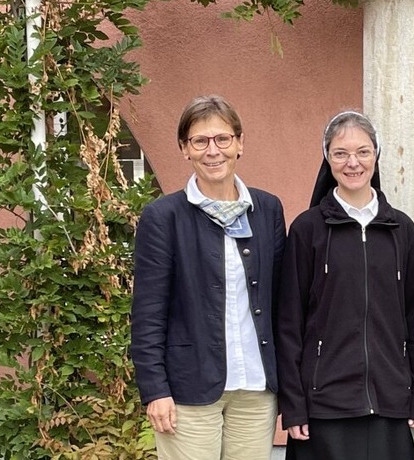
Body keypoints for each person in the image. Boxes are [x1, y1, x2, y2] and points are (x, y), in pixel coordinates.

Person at [130, 95, 285, 460]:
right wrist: (155, 390)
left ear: (239, 143)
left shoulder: (267, 209)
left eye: (222, 139)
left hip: (256, 387)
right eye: (200, 141)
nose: (212, 151)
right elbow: (148, 313)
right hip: (188, 390)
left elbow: (281, 301)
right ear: (184, 149)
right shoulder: (163, 217)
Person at [276, 111, 414, 460]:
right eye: (340, 153)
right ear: (327, 157)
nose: (353, 163)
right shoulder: (307, 229)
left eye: (363, 152)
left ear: (376, 155)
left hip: (389, 403)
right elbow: (289, 325)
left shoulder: (401, 230)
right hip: (323, 407)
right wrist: (294, 404)